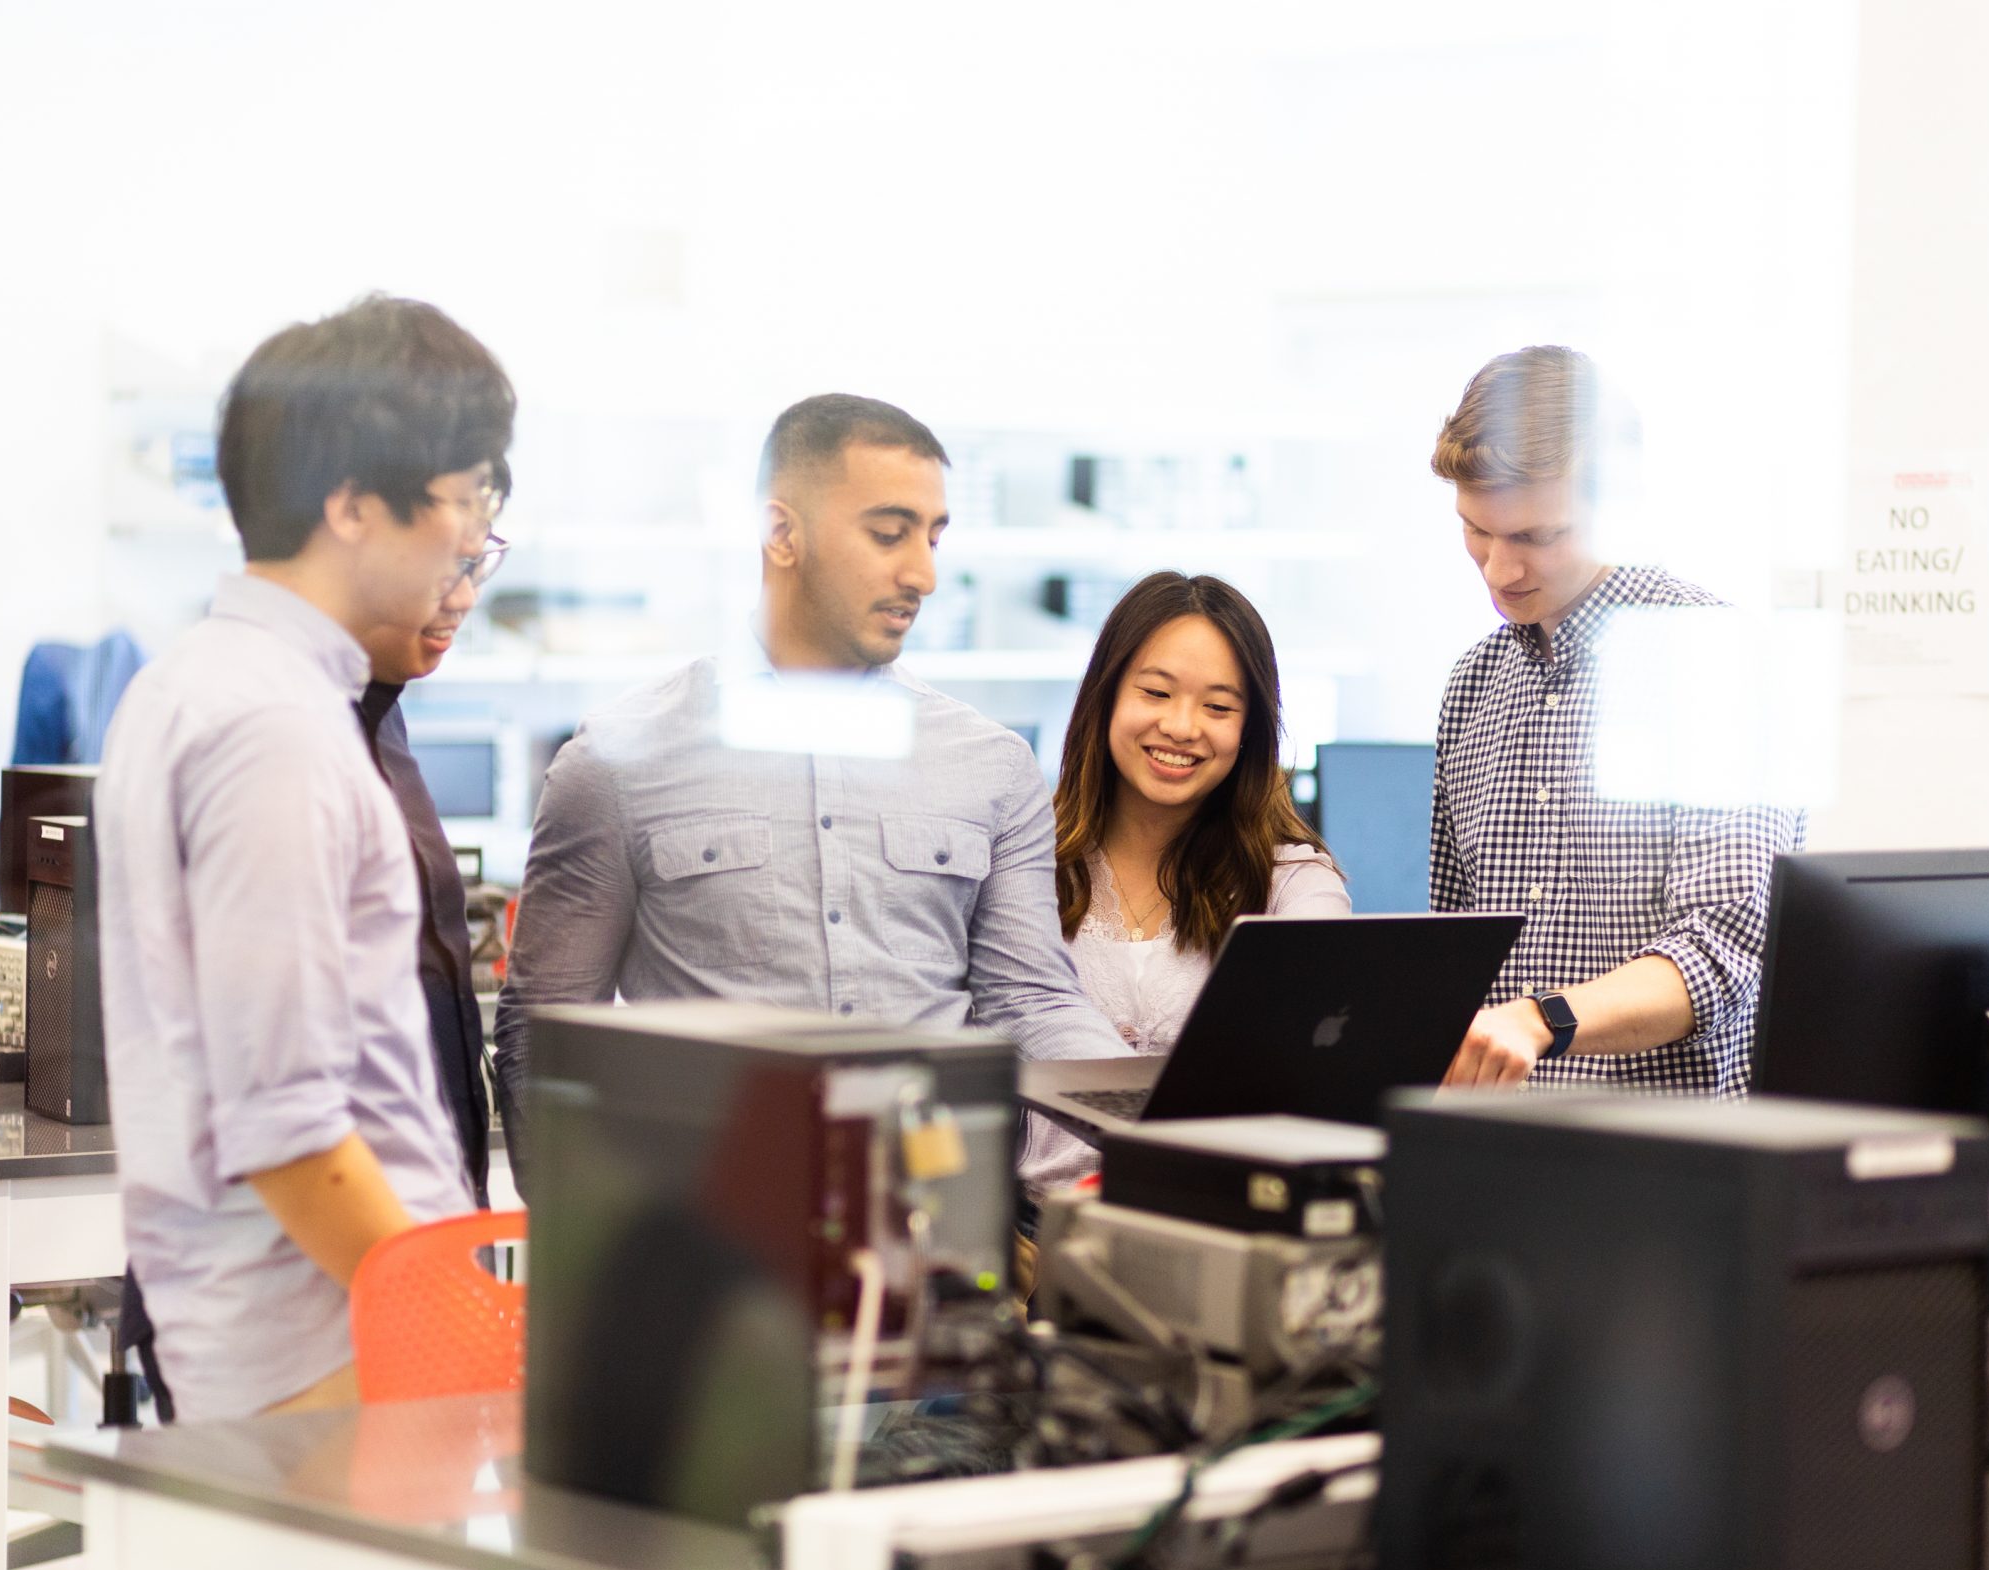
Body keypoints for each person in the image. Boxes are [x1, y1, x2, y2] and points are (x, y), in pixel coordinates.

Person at [494, 393, 1129, 1193]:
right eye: (889, 533)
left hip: (935, 1239)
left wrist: (1149, 1120)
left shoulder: (991, 765)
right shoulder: (617, 760)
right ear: (781, 532)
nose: (923, 575)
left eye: (933, 538)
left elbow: (1031, 999)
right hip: (704, 1247)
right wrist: (595, 1258)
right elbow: (542, 1039)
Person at [96, 294, 514, 1422]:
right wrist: (457, 1323)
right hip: (328, 1344)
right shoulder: (271, 725)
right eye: (462, 498)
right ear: (352, 506)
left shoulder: (209, 684)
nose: (474, 539)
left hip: (311, 1326)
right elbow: (286, 1120)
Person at [1430, 345, 1803, 1094]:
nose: (1500, 571)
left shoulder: (1713, 662)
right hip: (1495, 1159)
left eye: (1536, 537)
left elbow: (1722, 951)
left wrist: (1542, 1021)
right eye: (1478, 530)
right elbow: (1452, 955)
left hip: (1666, 1175)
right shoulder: (1472, 684)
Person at [1055, 571, 1348, 1051]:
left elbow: (1327, 1009)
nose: (1181, 727)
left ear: (1249, 731)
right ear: (1105, 697)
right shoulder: (1025, 859)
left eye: (1217, 706)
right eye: (1155, 692)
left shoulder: (1292, 881)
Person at [355, 510, 513, 1206]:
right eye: (447, 563)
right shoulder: (282, 728)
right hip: (339, 1267)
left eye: (478, 562)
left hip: (412, 1233)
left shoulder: (379, 705)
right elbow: (278, 1109)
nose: (465, 595)